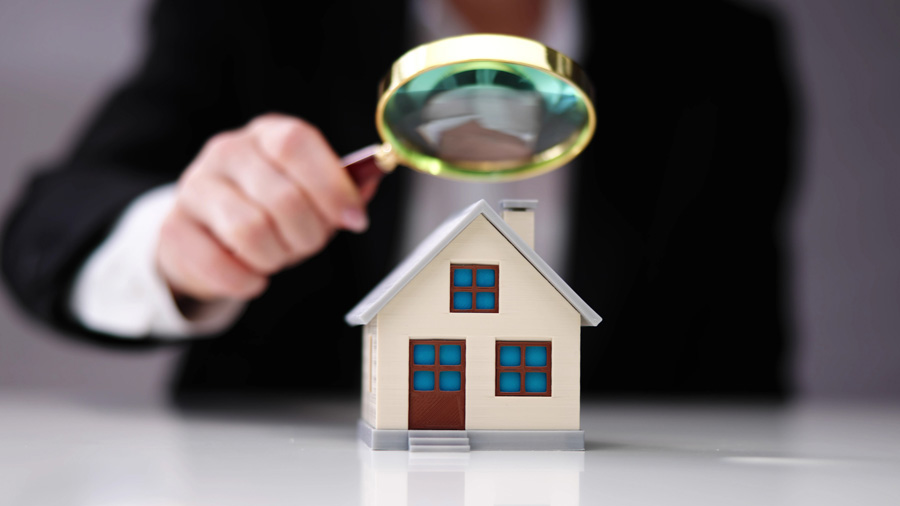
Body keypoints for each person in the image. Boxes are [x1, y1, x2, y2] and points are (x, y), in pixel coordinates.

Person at [1, 0, 797, 399]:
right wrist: (175, 243)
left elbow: (742, 358)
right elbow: (52, 223)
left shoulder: (721, 53)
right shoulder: (253, 15)